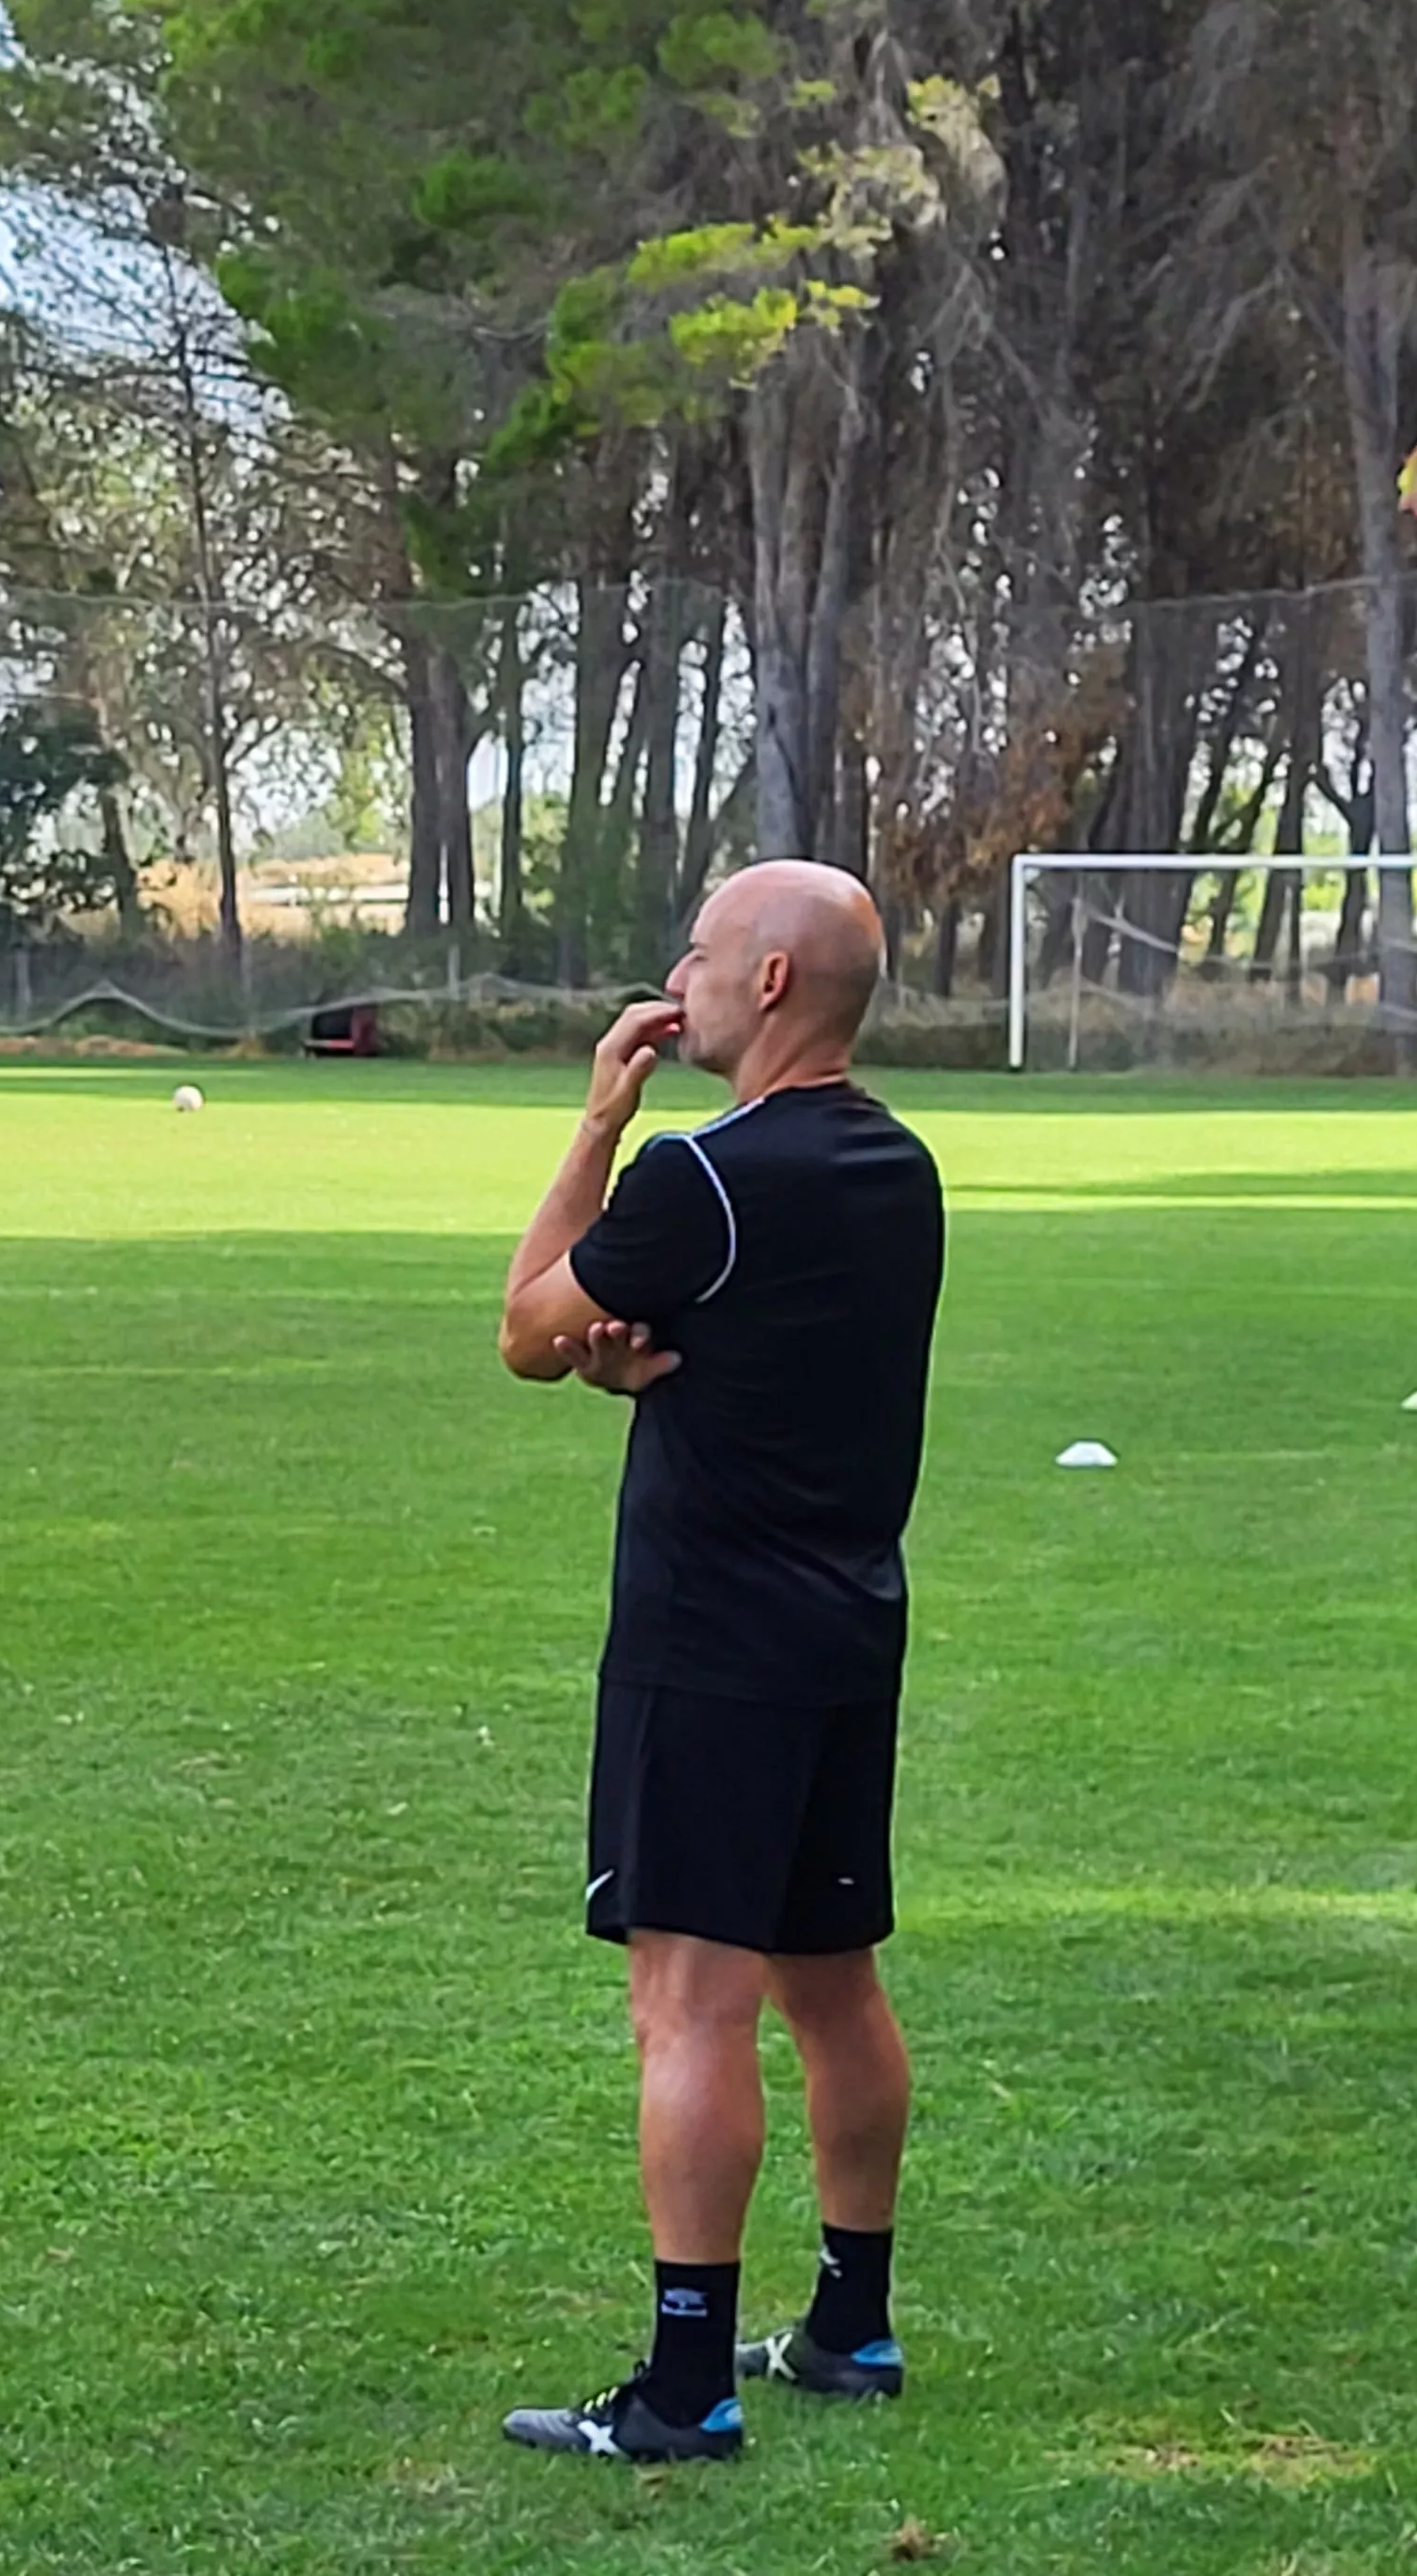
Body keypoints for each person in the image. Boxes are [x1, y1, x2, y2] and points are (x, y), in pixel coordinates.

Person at [490, 860, 947, 2467]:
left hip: (713, 1636)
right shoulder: (902, 1166)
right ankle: (855, 2320)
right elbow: (767, 1358)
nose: (667, 979)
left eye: (692, 953)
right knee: (833, 1982)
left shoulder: (704, 1175)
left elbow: (528, 1323)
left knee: (687, 2003)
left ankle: (687, 2385)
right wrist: (646, 1372)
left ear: (764, 985)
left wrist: (597, 1127)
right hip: (848, 1624)